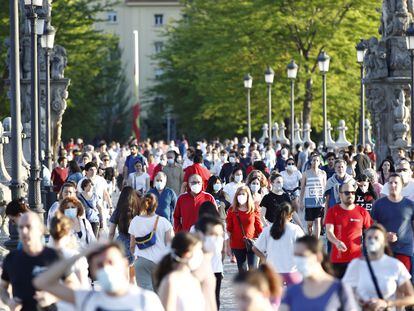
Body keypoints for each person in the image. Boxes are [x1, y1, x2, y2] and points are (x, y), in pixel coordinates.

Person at [33, 242, 164, 310]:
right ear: (93, 271)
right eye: (99, 265)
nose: (106, 268)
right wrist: (80, 255)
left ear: (124, 264)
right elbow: (41, 282)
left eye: (111, 262)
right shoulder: (86, 298)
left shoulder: (145, 300)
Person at [343, 223, 414, 310]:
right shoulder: (356, 265)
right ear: (364, 242)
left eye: (376, 238)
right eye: (369, 238)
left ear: (384, 242)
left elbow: (411, 297)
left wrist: (387, 303)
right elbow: (343, 293)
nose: (372, 241)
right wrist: (358, 301)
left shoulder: (395, 265)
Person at [0, 212, 62, 310]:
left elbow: (73, 284)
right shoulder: (11, 259)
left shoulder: (53, 256)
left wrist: (51, 297)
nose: (24, 231)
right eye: (21, 227)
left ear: (40, 230)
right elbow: (2, 288)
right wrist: (9, 301)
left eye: (28, 226)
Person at [279, 235, 358, 311]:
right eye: (295, 256)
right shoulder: (291, 292)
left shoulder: (340, 289)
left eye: (302, 255)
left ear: (318, 257)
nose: (298, 260)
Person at [324, 182, 373, 278]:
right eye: (347, 193)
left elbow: (371, 231)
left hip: (356, 260)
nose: (350, 195)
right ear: (340, 194)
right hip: (337, 260)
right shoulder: (333, 211)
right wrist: (336, 242)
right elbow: (329, 232)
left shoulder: (362, 212)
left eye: (353, 192)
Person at [129, 193, 174, 291]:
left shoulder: (135, 221)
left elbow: (132, 245)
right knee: (159, 293)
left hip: (141, 261)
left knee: (146, 295)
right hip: (160, 262)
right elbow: (169, 245)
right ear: (156, 205)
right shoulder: (164, 222)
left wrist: (136, 255)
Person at [253, 202, 304, 286]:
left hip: (273, 272)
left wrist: (264, 258)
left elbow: (255, 248)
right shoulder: (296, 229)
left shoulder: (267, 230)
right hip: (292, 272)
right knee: (293, 299)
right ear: (290, 215)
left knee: (274, 299)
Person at [372, 173, 414, 272]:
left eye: (396, 183)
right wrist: (384, 235)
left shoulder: (410, 205)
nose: (393, 185)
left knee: (403, 283)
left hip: (404, 250)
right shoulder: (378, 204)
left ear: (402, 186)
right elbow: (372, 227)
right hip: (384, 250)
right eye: (390, 183)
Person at [155, 232, 207, 310]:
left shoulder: (194, 279)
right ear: (187, 254)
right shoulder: (171, 281)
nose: (201, 254)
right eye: (198, 250)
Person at [226, 186, 263, 272]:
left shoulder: (253, 209)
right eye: (239, 194)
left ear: (248, 196)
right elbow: (229, 229)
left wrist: (263, 243)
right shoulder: (232, 210)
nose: (241, 196)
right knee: (242, 271)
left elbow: (259, 227)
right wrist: (228, 247)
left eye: (243, 194)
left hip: (252, 243)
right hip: (237, 244)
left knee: (253, 270)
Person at [108, 186, 140, 282]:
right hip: (136, 244)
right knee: (133, 277)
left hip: (121, 244)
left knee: (123, 275)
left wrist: (109, 246)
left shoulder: (118, 210)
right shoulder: (138, 210)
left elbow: (111, 232)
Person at [194, 215, 226, 309]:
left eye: (219, 236)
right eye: (212, 234)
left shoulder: (209, 274)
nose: (216, 239)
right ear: (200, 235)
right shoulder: (190, 270)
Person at [299, 153, 327, 238]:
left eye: (317, 160)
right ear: (311, 161)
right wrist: (301, 201)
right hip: (309, 201)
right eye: (314, 160)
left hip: (319, 201)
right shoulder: (305, 173)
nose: (315, 162)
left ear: (320, 162)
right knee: (309, 224)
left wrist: (325, 199)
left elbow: (325, 186)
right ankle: (310, 237)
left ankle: (316, 241)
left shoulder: (323, 173)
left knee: (318, 221)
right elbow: (302, 188)